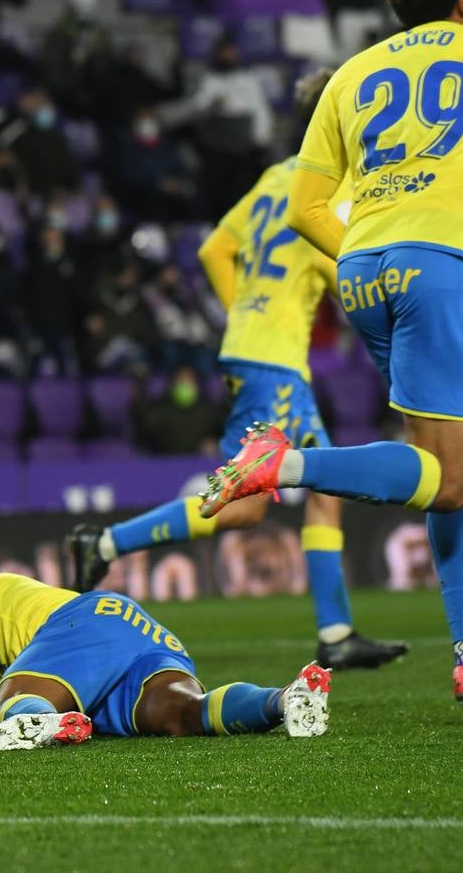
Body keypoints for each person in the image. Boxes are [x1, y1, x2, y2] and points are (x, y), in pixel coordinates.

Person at [67, 70, 406, 671]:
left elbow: (213, 249)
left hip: (258, 353)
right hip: (272, 363)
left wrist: (243, 313)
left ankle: (336, 634)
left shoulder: (278, 179)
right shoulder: (337, 190)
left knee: (322, 491)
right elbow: (347, 272)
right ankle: (106, 542)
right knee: (247, 503)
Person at [200, 0, 463, 701]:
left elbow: (303, 206)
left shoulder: (353, 71)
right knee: (450, 476)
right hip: (443, 266)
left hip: (369, 272)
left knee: (443, 473)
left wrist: (369, 257)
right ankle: (284, 466)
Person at [0, 573, 331, 750]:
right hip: (133, 629)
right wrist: (11, 697)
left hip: (83, 620)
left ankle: (36, 720)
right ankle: (286, 700)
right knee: (184, 711)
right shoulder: (18, 604)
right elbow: (79, 662)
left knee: (8, 715)